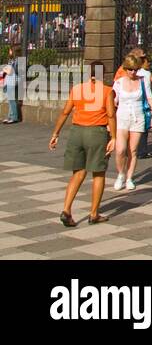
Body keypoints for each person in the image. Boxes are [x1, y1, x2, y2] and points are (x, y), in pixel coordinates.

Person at [49, 63, 116, 226]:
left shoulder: (77, 89)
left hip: (77, 132)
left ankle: (66, 209)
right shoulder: (107, 91)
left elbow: (65, 112)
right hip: (96, 133)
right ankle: (93, 213)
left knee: (78, 173)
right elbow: (111, 115)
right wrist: (114, 137)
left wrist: (55, 133)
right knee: (98, 173)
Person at [111, 54, 152, 190]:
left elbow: (149, 98)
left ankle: (129, 178)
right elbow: (113, 101)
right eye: (130, 69)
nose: (132, 72)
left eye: (135, 69)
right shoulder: (119, 82)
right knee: (120, 150)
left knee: (133, 150)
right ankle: (121, 174)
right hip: (122, 117)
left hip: (138, 117)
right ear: (125, 69)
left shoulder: (143, 80)